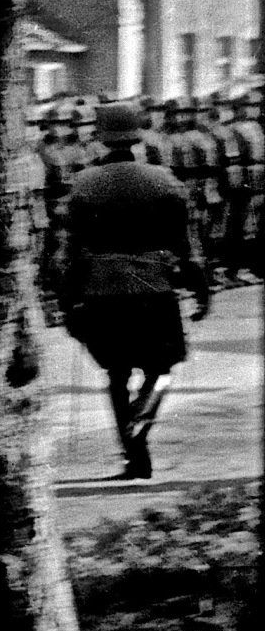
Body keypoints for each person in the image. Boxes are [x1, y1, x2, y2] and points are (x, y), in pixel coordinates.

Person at [61, 101, 211, 481]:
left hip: (102, 289)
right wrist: (200, 288)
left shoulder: (84, 184)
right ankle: (139, 428)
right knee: (162, 368)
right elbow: (186, 245)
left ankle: (133, 455)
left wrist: (67, 299)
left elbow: (70, 251)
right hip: (154, 287)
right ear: (139, 136)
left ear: (100, 138)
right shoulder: (163, 180)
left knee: (116, 373)